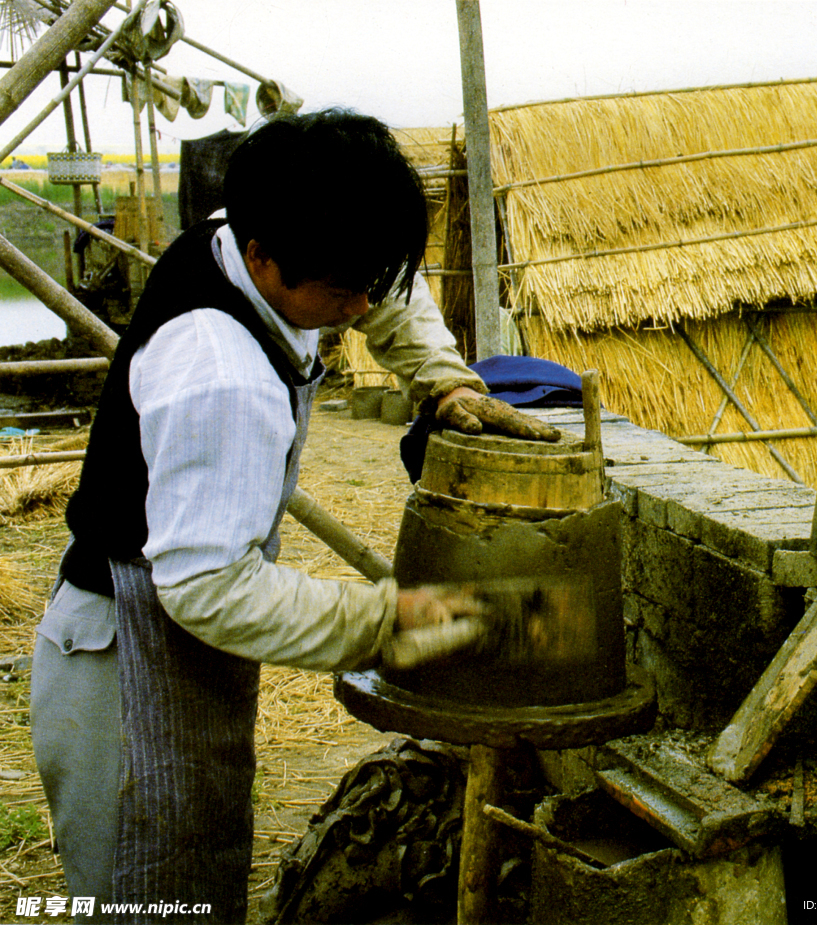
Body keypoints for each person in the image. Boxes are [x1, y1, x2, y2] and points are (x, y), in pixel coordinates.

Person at [30, 108, 558, 924]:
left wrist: (442, 379)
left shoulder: (263, 219)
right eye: (341, 294)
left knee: (198, 875)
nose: (359, 309)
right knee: (146, 896)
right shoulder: (220, 370)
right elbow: (210, 589)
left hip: (175, 635)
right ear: (261, 257)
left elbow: (385, 289)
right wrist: (392, 619)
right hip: (124, 656)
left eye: (367, 284)